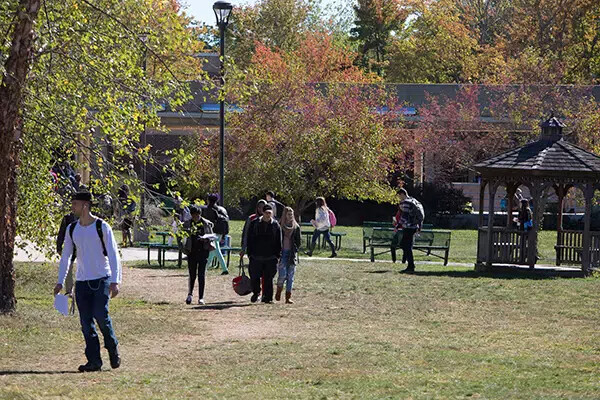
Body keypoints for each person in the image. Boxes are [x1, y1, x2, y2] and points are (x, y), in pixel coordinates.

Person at [53, 191, 122, 372]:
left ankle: (112, 346)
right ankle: (94, 361)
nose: (72, 207)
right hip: (82, 281)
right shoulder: (72, 229)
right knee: (86, 323)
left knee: (101, 316)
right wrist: (60, 281)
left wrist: (115, 281)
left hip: (102, 279)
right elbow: (67, 255)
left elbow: (114, 255)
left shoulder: (102, 226)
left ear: (85, 205)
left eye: (75, 203)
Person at [247, 204, 282, 304]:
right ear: (263, 212)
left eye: (270, 213)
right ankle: (256, 292)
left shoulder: (275, 225)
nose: (268, 215)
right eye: (266, 213)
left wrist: (277, 255)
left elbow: (279, 241)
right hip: (256, 255)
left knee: (268, 278)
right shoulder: (254, 223)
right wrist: (250, 253)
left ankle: (268, 297)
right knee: (254, 277)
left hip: (270, 256)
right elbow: (249, 238)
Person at [183, 206, 215, 305]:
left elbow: (212, 237)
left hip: (203, 252)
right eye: (194, 215)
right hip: (192, 252)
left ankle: (201, 297)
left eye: (197, 215)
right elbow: (182, 237)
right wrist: (184, 249)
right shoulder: (187, 224)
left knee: (201, 275)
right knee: (192, 274)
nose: (196, 217)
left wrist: (206, 239)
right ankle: (190, 294)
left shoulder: (206, 223)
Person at [276, 207, 301, 304]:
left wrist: (295, 248)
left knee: (290, 276)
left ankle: (288, 297)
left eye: (291, 214)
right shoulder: (280, 226)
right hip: (282, 253)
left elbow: (299, 242)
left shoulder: (296, 227)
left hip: (292, 254)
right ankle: (279, 291)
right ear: (284, 215)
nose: (290, 216)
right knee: (282, 275)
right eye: (288, 214)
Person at [398, 188, 424, 273]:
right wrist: (419, 227)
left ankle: (411, 265)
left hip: (408, 227)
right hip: (414, 227)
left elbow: (404, 215)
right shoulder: (413, 200)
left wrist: (398, 224)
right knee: (405, 245)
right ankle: (409, 263)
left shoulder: (406, 202)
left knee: (406, 246)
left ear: (402, 194)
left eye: (399, 196)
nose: (399, 198)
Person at [203, 194, 229, 275]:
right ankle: (205, 268)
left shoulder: (210, 209)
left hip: (213, 232)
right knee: (214, 251)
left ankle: (224, 269)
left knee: (216, 250)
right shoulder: (220, 209)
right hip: (220, 232)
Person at [56, 210, 78, 298]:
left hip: (82, 246)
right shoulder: (67, 218)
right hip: (71, 246)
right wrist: (59, 246)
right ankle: (69, 290)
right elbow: (61, 232)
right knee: (68, 267)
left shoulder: (86, 219)